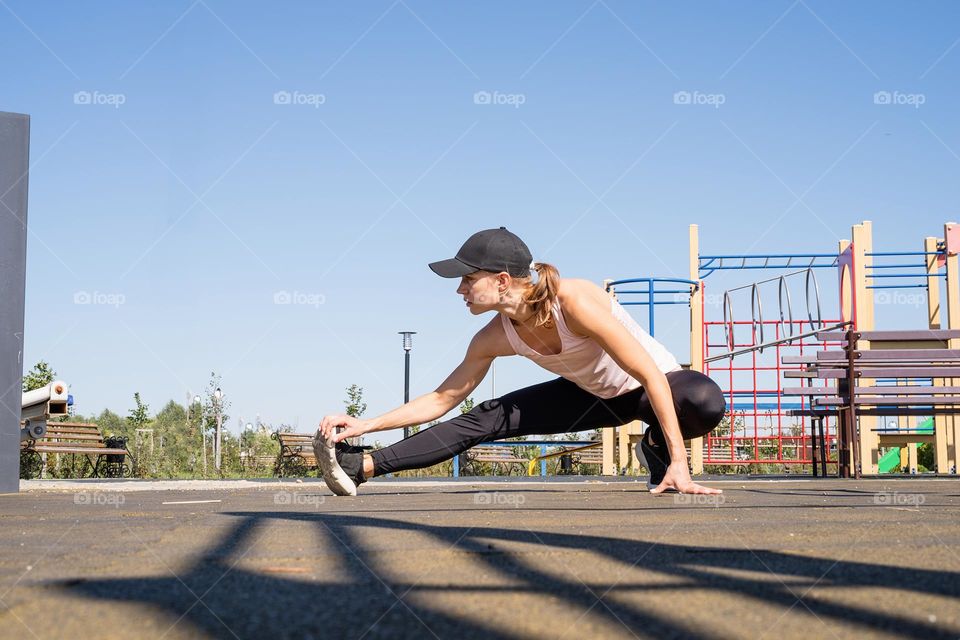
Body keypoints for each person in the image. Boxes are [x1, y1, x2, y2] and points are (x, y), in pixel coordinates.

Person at [314, 227, 726, 496]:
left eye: (468, 279)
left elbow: (649, 374)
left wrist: (678, 461)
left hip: (654, 388)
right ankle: (362, 465)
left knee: (705, 400)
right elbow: (442, 399)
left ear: (502, 280)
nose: (460, 289)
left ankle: (654, 447)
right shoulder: (494, 335)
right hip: (589, 395)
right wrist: (366, 424)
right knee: (486, 417)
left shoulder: (575, 303)